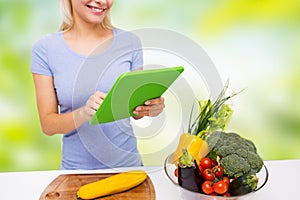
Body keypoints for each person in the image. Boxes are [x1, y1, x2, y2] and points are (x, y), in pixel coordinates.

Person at [30, 0, 165, 170]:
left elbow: (133, 109)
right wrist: (84, 113)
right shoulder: (46, 49)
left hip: (129, 169)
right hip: (76, 173)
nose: (103, 2)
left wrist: (149, 108)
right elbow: (48, 125)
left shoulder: (129, 42)